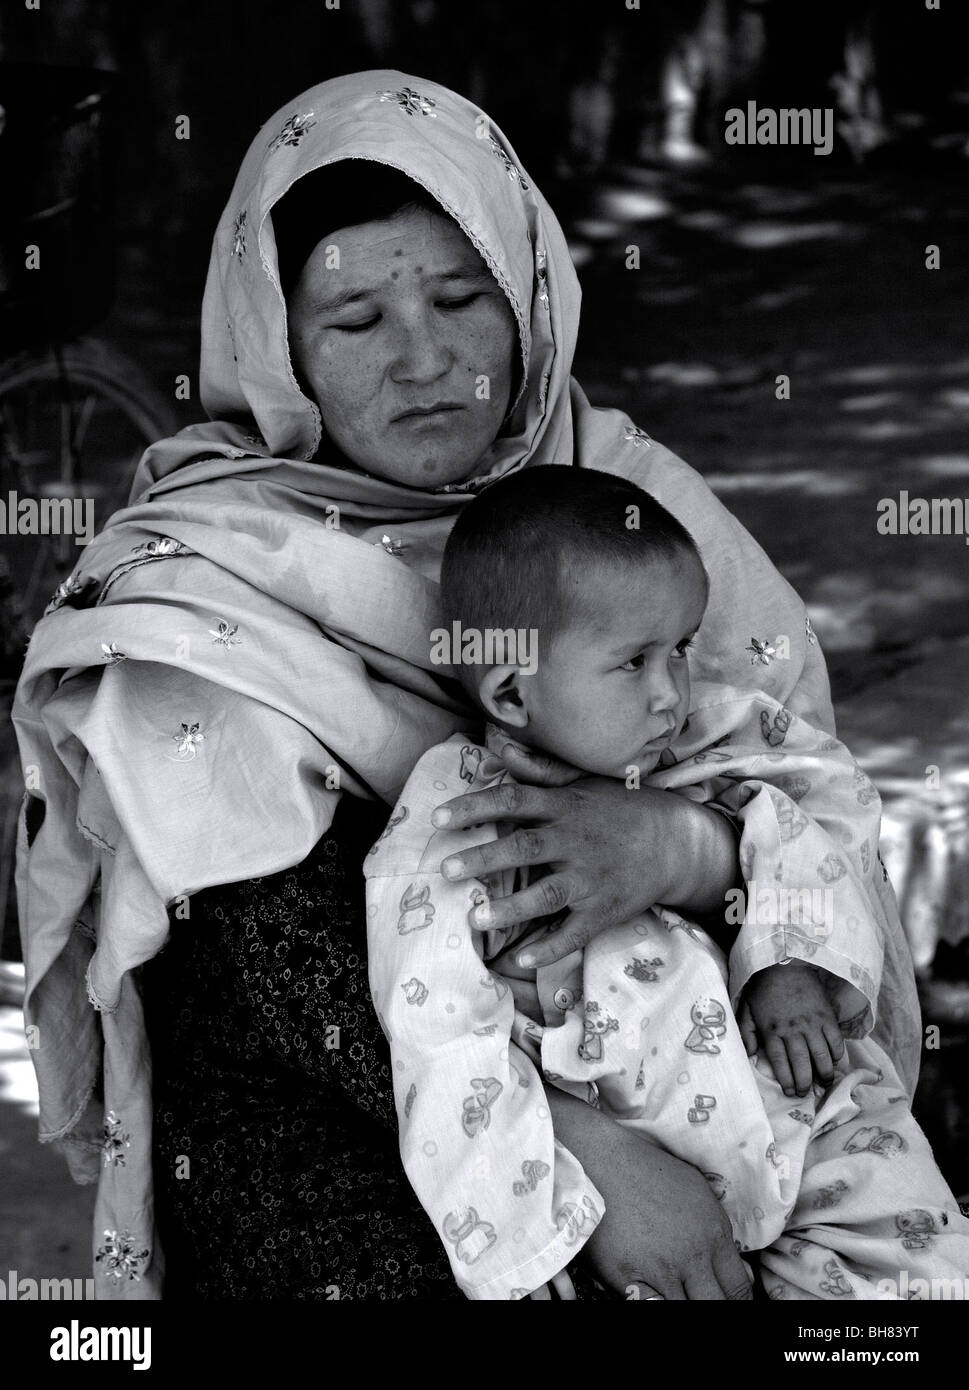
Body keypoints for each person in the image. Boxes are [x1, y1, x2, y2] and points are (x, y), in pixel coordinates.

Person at [11, 70, 921, 1301]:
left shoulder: (616, 496)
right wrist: (583, 1164)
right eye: (353, 322)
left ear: (531, 297)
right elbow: (297, 981)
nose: (426, 360)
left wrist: (683, 850)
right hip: (342, 1119)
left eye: (460, 296)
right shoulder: (201, 584)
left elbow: (808, 795)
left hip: (690, 1075)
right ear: (275, 348)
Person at [365, 465, 969, 1300]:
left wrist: (788, 963)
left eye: (681, 648)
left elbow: (818, 805)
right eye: (634, 662)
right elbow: (441, 1030)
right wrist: (522, 1242)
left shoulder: (710, 734)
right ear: (510, 689)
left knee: (920, 1281)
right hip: (628, 1160)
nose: (671, 694)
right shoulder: (456, 821)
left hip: (801, 1110)